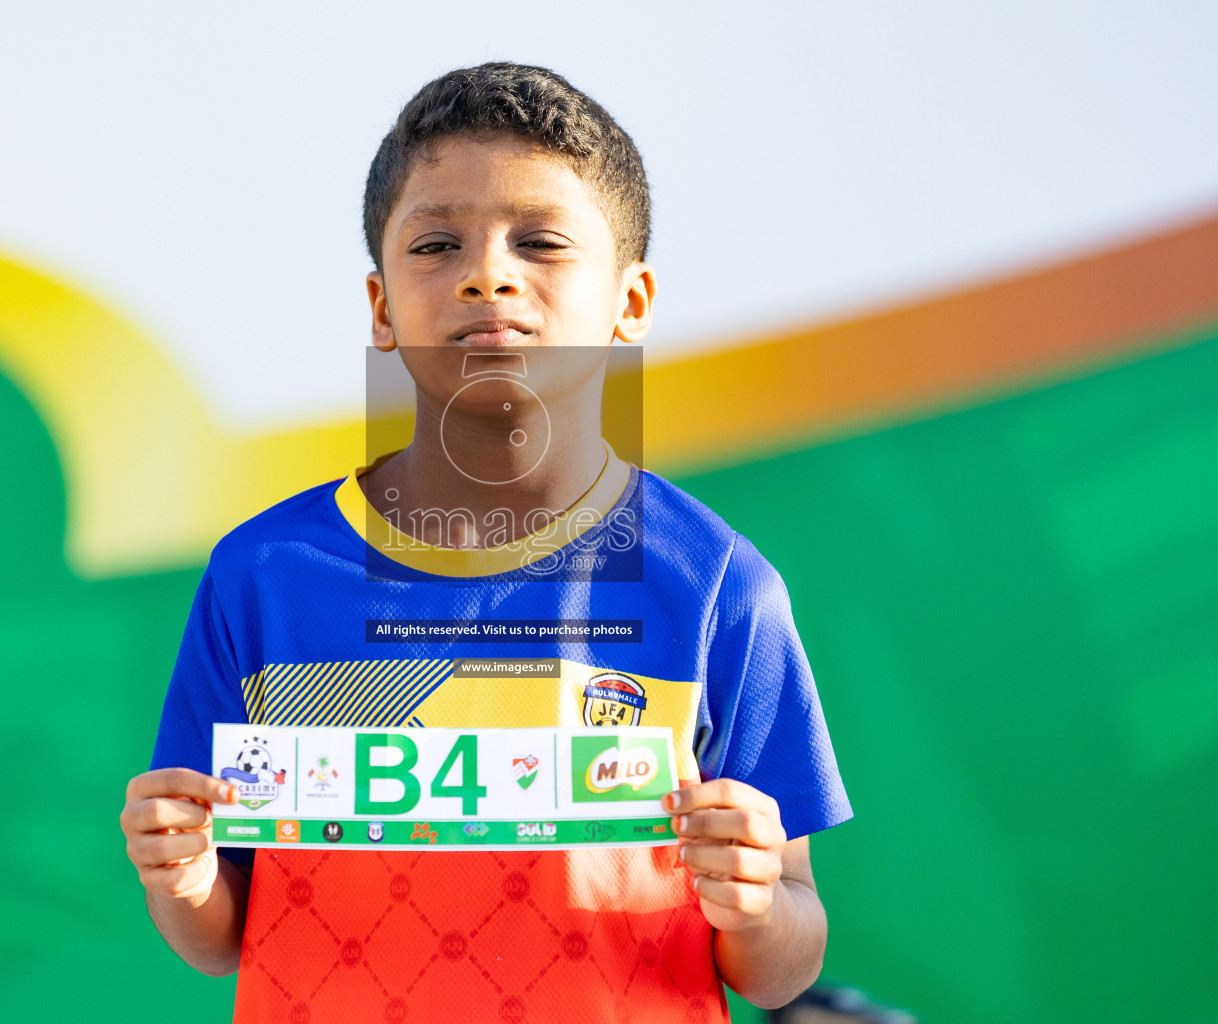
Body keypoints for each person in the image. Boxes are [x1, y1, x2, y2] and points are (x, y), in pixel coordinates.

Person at [119, 62, 851, 1023]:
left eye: (541, 240)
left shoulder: (715, 584)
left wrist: (758, 903)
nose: (486, 273)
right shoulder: (262, 578)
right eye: (436, 243)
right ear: (381, 309)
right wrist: (180, 878)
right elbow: (223, 938)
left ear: (631, 302)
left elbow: (786, 958)